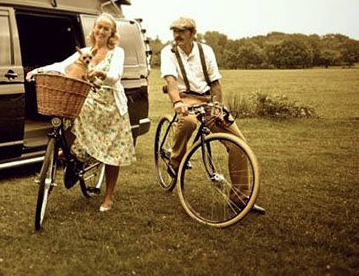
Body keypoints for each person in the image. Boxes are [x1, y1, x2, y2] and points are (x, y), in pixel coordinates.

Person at [26, 13, 135, 212]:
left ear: (112, 33)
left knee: (112, 153)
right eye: (98, 27)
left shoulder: (116, 52)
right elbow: (62, 66)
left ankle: (108, 196)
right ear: (93, 29)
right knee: (71, 110)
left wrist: (102, 73)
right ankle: (72, 155)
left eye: (106, 29)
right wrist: (38, 71)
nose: (101, 31)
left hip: (111, 104)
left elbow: (116, 76)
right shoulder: (85, 51)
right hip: (89, 99)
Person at [160, 16, 264, 213]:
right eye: (174, 31)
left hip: (208, 99)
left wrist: (217, 106)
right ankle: (175, 160)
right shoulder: (169, 52)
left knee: (238, 144)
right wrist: (177, 102)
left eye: (182, 31)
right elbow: (171, 82)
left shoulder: (205, 51)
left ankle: (240, 200)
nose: (177, 35)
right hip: (185, 98)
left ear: (193, 33)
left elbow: (215, 84)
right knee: (189, 121)